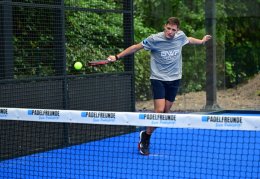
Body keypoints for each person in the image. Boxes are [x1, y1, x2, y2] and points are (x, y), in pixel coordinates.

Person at [108, 17, 212, 155]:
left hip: (175, 79)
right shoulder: (154, 39)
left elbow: (190, 39)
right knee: (159, 112)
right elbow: (135, 47)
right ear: (165, 26)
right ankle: (146, 140)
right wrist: (116, 57)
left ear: (177, 30)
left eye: (173, 30)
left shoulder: (180, 37)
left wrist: (202, 41)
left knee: (165, 115)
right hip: (158, 79)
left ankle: (145, 134)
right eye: (168, 28)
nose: (170, 32)